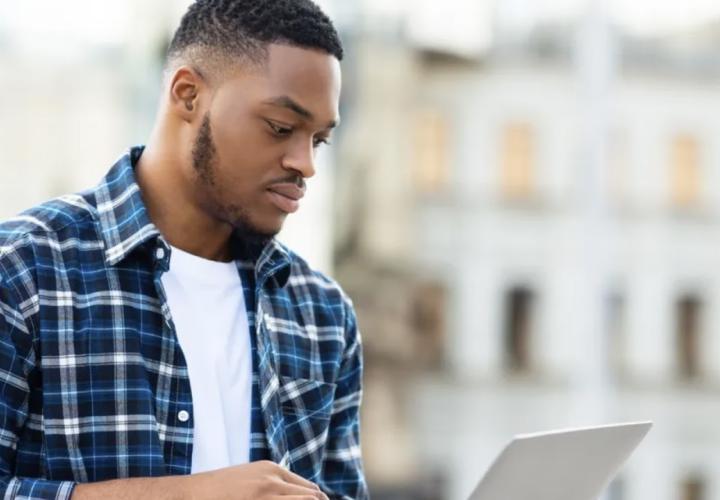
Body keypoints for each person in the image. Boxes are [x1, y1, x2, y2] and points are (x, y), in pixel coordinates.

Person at [0, 0, 367, 498]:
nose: (305, 164)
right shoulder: (24, 273)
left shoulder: (323, 315)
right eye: (281, 127)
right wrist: (186, 494)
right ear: (188, 94)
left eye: (319, 140)